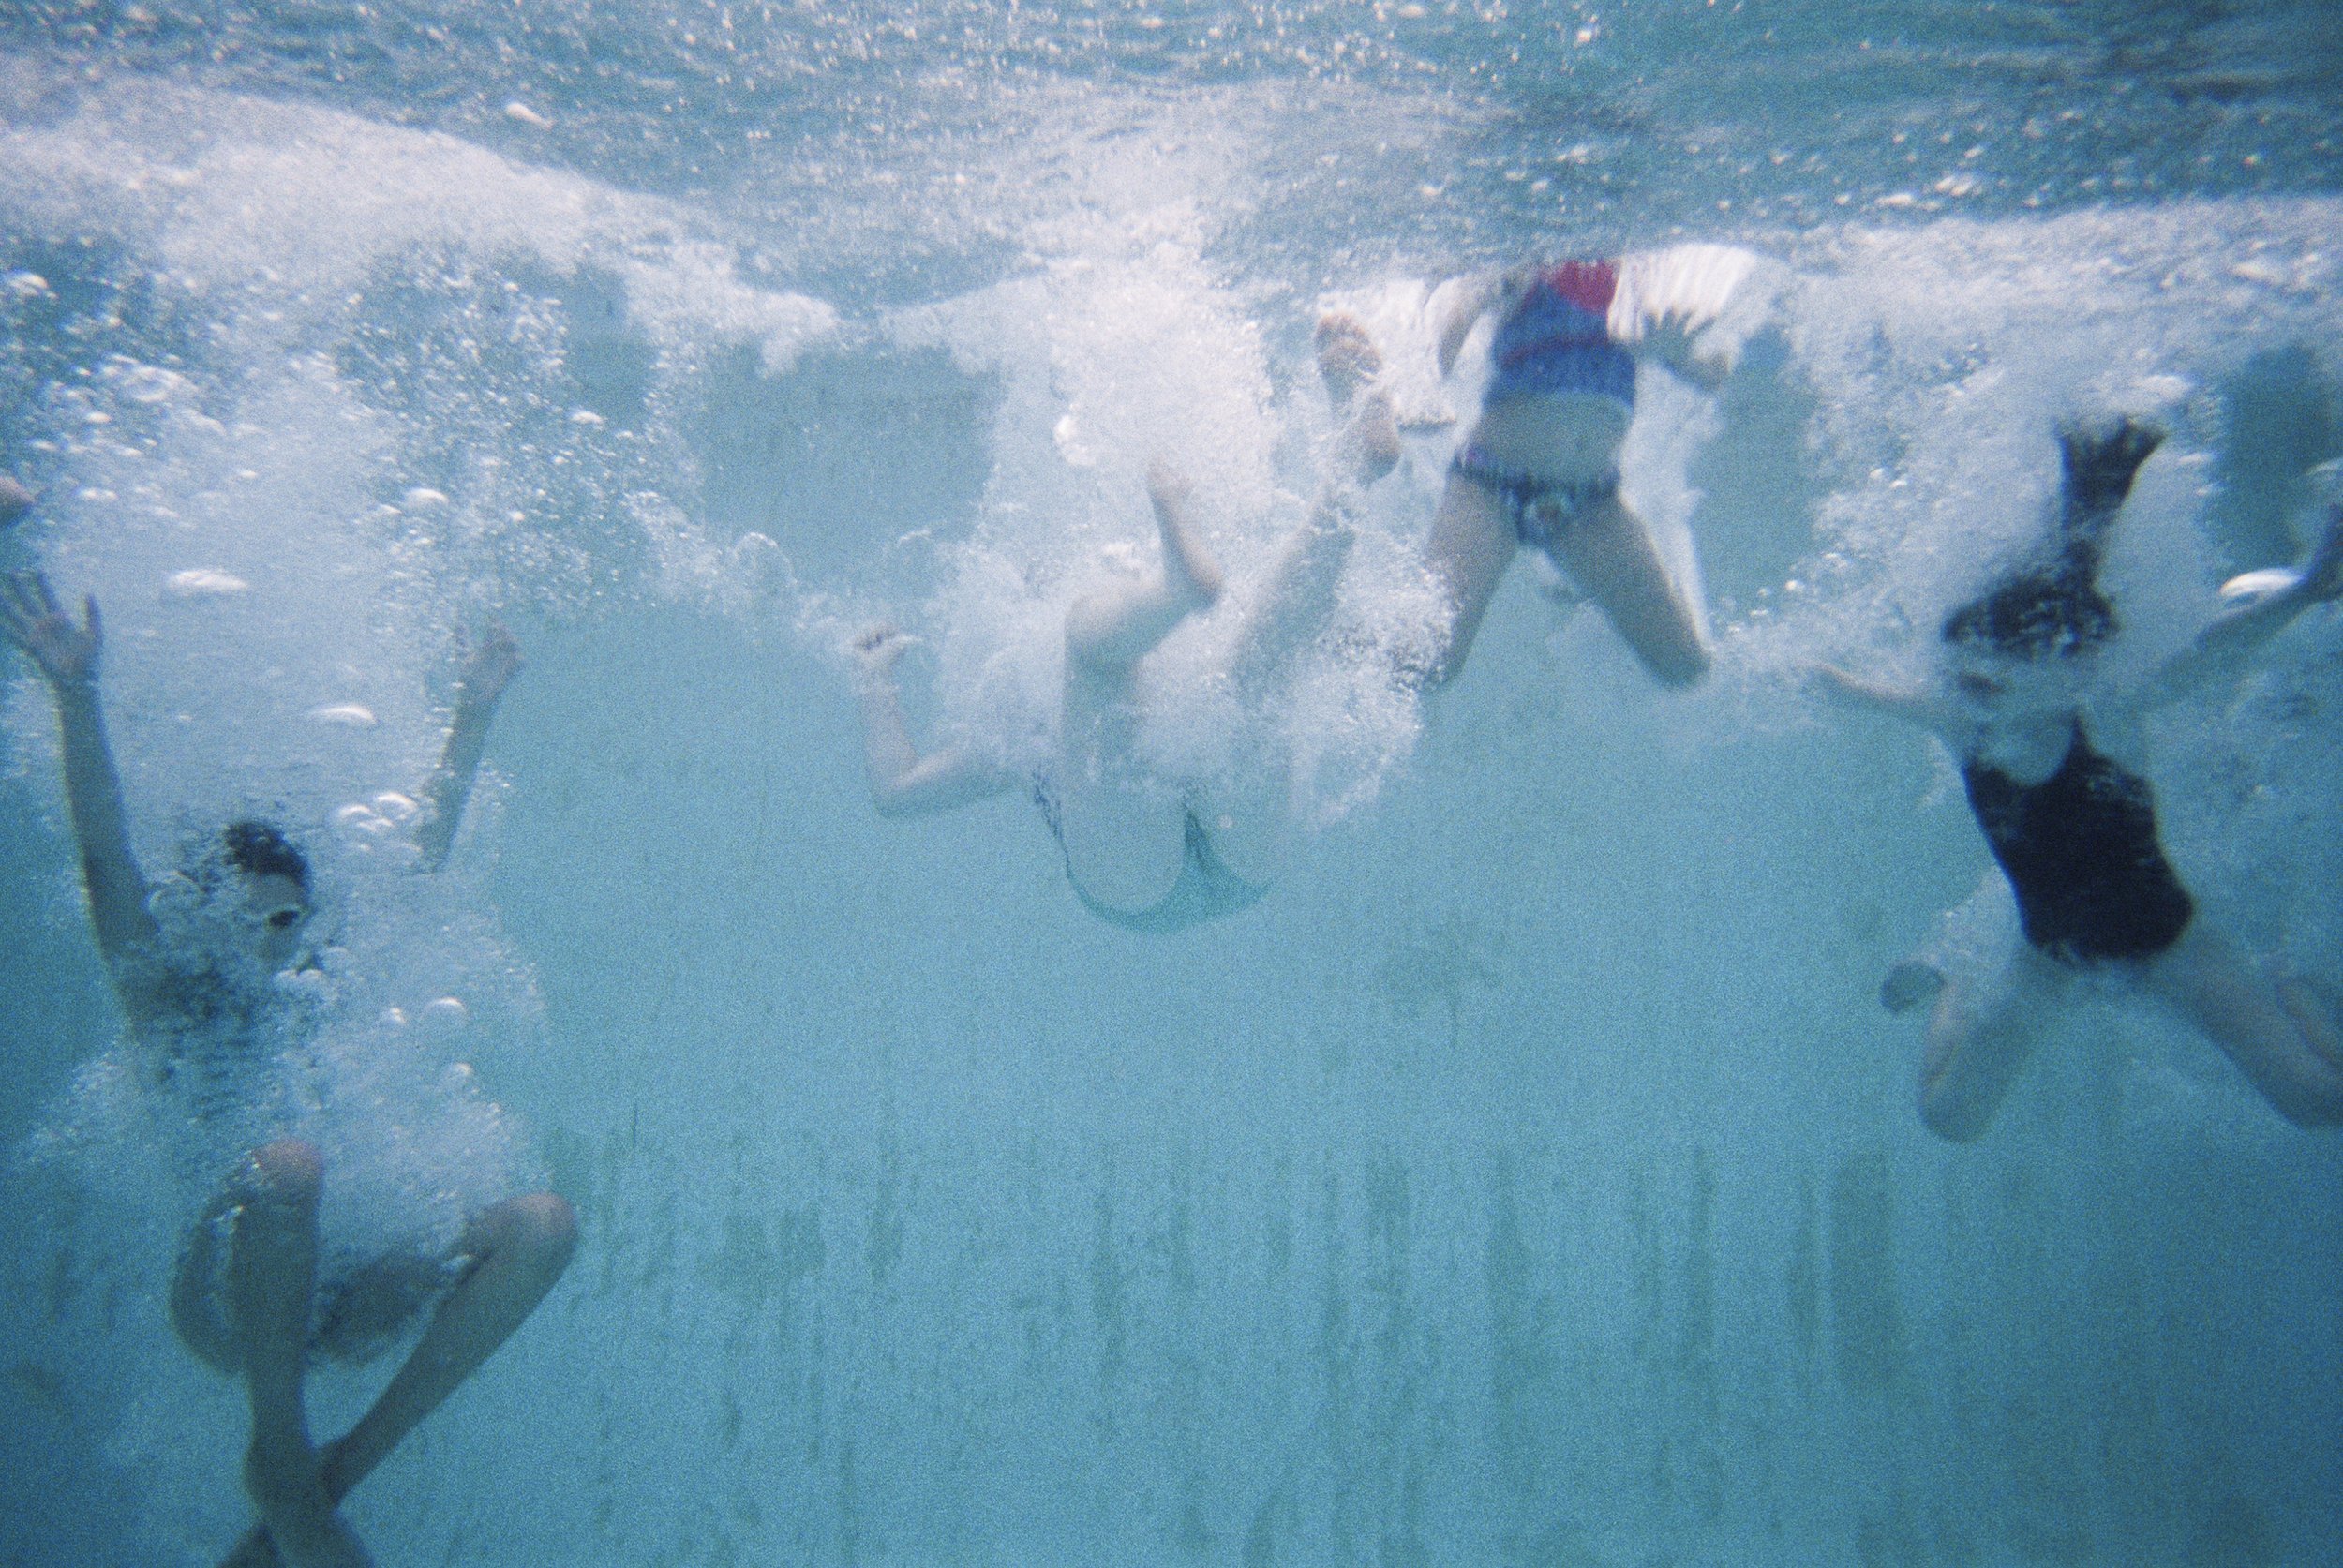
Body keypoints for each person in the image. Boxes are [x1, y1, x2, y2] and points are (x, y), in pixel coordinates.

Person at [1, 569, 575, 1568]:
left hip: (354, 1292)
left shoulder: (332, 982)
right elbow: (105, 858)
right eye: (250, 918)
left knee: (542, 1223)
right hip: (226, 1301)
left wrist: (472, 711)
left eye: (288, 919)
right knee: (289, 1164)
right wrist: (76, 696)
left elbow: (420, 859)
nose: (271, 942)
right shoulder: (167, 1001)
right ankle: (278, 1438)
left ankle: (318, 1484)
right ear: (203, 917)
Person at [1808, 416, 2343, 1142]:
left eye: (1997, 681)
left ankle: (2289, 988)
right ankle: (1954, 983)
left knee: (2320, 1100)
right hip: (2047, 956)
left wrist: (2309, 589)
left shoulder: (2108, 716)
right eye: (1973, 680)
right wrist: (1822, 681)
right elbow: (1857, 690)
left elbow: (2212, 649)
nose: (1981, 697)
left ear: (2057, 670)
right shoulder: (1965, 719)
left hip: (2171, 946)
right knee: (1949, 1116)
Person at [852, 326, 1402, 933]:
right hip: (1226, 844)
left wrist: (875, 682)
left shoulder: (1025, 715)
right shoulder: (1062, 696)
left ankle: (1180, 590)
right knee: (1265, 653)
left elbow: (897, 790)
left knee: (1138, 655)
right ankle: (1342, 477)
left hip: (1163, 889)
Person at [1354, 245, 1768, 690]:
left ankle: (1793, 676)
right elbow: (1454, 322)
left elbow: (1710, 375)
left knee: (1683, 667)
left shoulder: (1639, 288)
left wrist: (1678, 348)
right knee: (1427, 666)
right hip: (1491, 486)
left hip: (1590, 502)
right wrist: (1427, 384)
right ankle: (1337, 646)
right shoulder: (1528, 262)